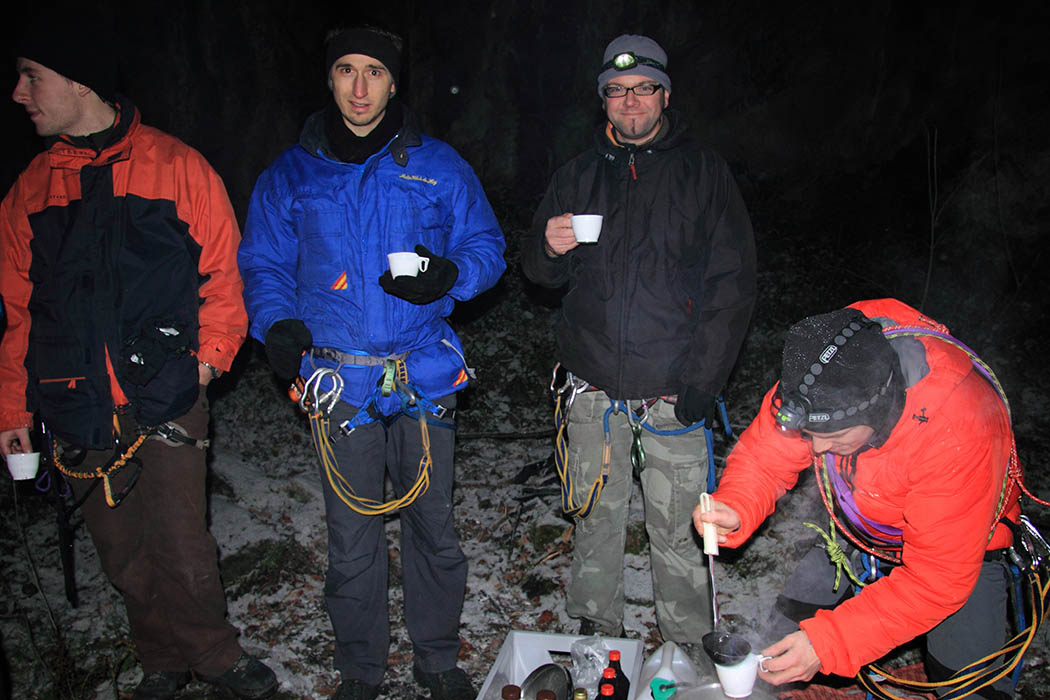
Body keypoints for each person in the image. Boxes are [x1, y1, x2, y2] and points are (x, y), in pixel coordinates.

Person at [0, 18, 278, 700]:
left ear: (78, 81)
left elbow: (224, 275)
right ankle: (160, 658)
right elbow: (14, 312)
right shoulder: (30, 192)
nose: (19, 93)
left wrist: (208, 361)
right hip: (75, 403)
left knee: (184, 545)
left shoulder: (176, 166)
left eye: (33, 76)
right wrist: (12, 407)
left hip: (166, 394)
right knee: (122, 552)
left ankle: (214, 656)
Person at [237, 23, 506, 700]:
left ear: (394, 81)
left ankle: (437, 658)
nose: (360, 87)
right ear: (329, 78)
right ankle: (360, 668)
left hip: (421, 373)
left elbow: (486, 246)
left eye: (375, 73)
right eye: (347, 71)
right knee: (352, 538)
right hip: (339, 382)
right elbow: (264, 265)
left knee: (432, 526)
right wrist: (275, 327)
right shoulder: (289, 174)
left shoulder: (437, 164)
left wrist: (448, 275)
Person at [521, 34, 757, 644]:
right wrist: (548, 248)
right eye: (617, 92)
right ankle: (595, 631)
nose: (631, 103)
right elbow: (538, 275)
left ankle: (684, 643)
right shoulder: (576, 175)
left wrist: (706, 377)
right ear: (603, 102)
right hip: (591, 387)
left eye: (643, 89)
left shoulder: (703, 172)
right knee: (594, 517)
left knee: (678, 528)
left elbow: (732, 284)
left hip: (672, 389)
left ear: (665, 95)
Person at [694, 298, 1023, 700]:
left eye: (833, 440)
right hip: (860, 520)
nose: (814, 452)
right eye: (810, 436)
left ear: (881, 414)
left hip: (959, 549)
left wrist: (831, 643)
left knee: (963, 678)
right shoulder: (823, 366)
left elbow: (936, 579)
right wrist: (736, 504)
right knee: (783, 635)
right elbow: (766, 456)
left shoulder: (959, 425)